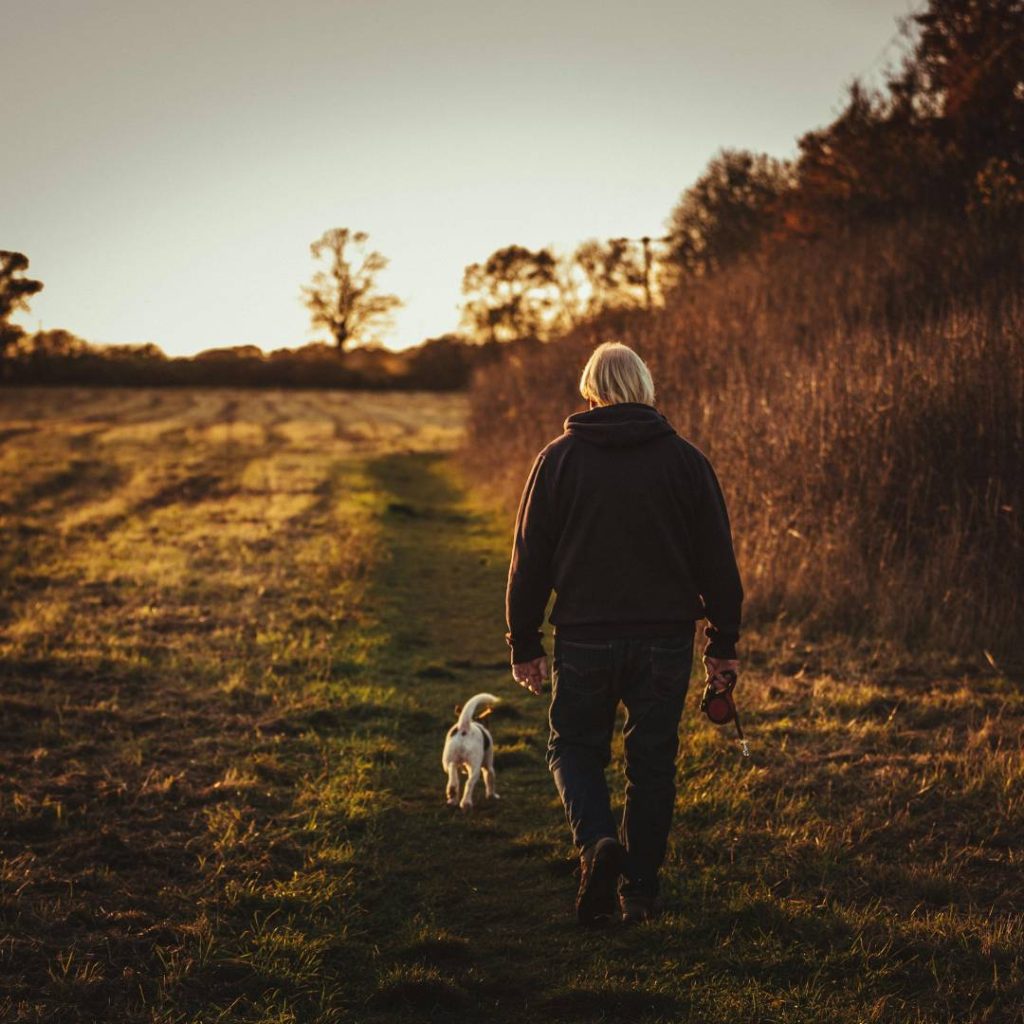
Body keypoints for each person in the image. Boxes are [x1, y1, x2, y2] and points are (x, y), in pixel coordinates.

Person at [505, 341, 743, 926]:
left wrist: (525, 642)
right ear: (645, 389)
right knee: (652, 763)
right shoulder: (687, 461)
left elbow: (529, 558)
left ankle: (596, 844)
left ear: (589, 391)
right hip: (665, 639)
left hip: (584, 637)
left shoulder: (557, 460)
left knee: (572, 748)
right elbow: (719, 562)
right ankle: (639, 892)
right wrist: (723, 644)